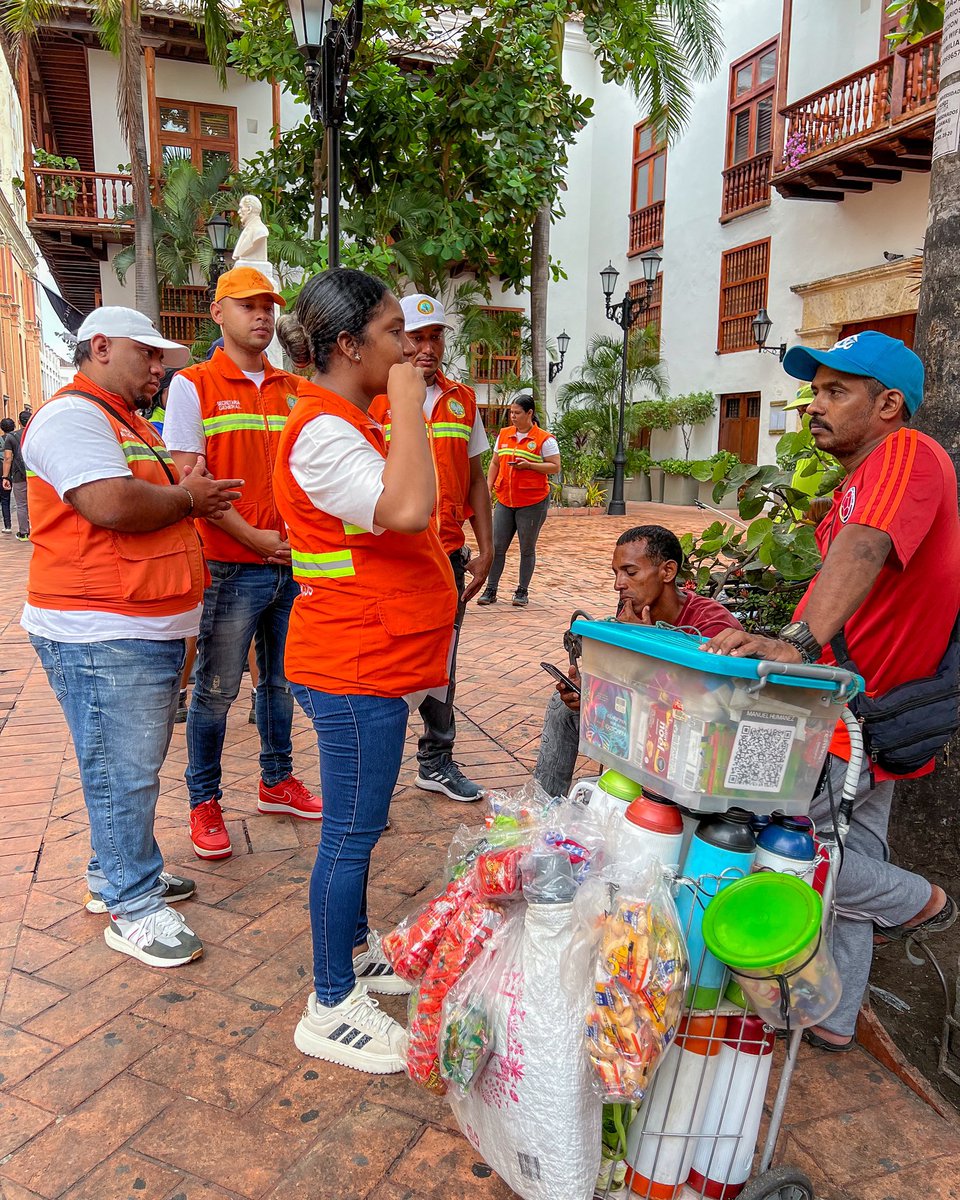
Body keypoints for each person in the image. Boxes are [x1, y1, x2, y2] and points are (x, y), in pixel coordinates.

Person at [704, 331, 960, 1052]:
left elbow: (865, 548)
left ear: (888, 404)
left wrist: (797, 645)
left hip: (855, 713)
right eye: (814, 390)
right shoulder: (859, 478)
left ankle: (925, 902)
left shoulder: (906, 452)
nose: (813, 405)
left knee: (789, 856)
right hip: (863, 714)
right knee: (845, 849)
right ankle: (834, 1023)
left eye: (834, 391)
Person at [273, 269, 457, 1073]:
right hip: (351, 669)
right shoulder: (322, 431)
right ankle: (329, 1002)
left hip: (368, 659)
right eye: (392, 332)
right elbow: (409, 509)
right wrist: (412, 403)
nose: (410, 346)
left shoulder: (348, 421)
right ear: (348, 346)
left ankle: (351, 952)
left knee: (361, 827)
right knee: (348, 837)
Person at [20, 306, 242, 967]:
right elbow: (109, 505)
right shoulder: (73, 417)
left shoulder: (123, 421)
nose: (157, 368)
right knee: (125, 771)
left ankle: (116, 869)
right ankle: (132, 903)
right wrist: (189, 500)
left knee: (122, 768)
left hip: (133, 622)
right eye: (145, 354)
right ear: (99, 346)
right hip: (101, 628)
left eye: (161, 359)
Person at [163, 266, 322, 862]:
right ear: (218, 313)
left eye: (269, 306)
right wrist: (255, 538)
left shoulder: (292, 387)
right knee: (216, 690)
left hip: (290, 565)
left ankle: (276, 780)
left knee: (280, 681)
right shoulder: (193, 385)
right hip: (231, 564)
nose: (262, 315)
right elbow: (192, 481)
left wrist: (290, 543)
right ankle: (204, 802)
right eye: (248, 304)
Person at [368, 293, 493, 802]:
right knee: (386, 666)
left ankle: (436, 761)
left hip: (448, 558)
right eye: (415, 336)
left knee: (442, 665)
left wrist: (487, 550)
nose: (426, 347)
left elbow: (478, 479)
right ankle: (373, 776)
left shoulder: (462, 400)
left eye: (435, 336)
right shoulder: (375, 399)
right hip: (392, 559)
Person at [534, 525, 743, 798]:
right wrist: (589, 689)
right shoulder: (630, 608)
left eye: (630, 573)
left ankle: (614, 799)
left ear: (667, 572)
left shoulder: (710, 622)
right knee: (564, 708)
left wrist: (646, 644)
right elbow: (621, 684)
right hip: (640, 715)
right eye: (616, 573)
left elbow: (707, 704)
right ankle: (541, 806)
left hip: (692, 737)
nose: (618, 584)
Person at [478, 394, 560, 607]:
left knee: (526, 548)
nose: (512, 417)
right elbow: (495, 463)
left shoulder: (545, 439)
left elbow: (554, 466)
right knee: (497, 546)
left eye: (517, 413)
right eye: (511, 413)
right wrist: (488, 487)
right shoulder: (504, 435)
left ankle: (522, 591)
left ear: (529, 413)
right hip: (505, 498)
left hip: (532, 501)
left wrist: (530, 466)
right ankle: (491, 589)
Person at [3, 409, 31, 540]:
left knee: (21, 505)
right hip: (37, 476)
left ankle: (24, 533)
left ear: (19, 422)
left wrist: (5, 477)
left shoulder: (11, 437)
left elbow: (8, 458)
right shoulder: (37, 434)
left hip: (19, 474)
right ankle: (37, 530)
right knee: (36, 503)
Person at [0, 417, 14, 532]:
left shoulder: (1, 440)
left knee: (5, 500)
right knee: (23, 501)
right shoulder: (18, 438)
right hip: (17, 472)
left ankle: (7, 525)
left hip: (2, 472)